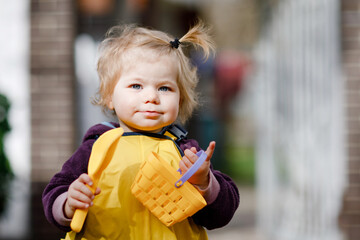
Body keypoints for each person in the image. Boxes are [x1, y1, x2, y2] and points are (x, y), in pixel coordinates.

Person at [42, 20, 239, 239]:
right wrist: (68, 203)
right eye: (136, 86)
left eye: (164, 88)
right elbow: (54, 192)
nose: (151, 97)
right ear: (109, 96)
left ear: (180, 98)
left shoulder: (185, 152)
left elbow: (221, 214)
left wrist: (205, 183)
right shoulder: (97, 146)